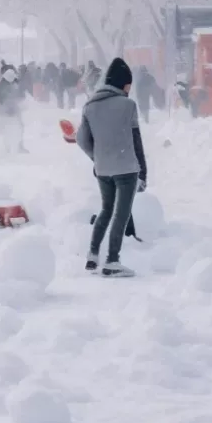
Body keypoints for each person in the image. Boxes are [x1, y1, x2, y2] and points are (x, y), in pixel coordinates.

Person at [76, 58, 147, 278]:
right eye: (128, 84)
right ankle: (112, 261)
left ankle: (93, 255)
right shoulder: (128, 105)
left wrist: (97, 157)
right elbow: (136, 140)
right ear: (122, 83)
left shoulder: (90, 106)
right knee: (121, 213)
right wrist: (143, 172)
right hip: (126, 168)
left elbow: (81, 139)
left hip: (103, 169)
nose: (129, 89)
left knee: (106, 210)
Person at [0, 66, 27, 153]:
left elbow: (21, 95)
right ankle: (9, 147)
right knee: (8, 128)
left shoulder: (6, 83)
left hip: (12, 108)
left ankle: (18, 146)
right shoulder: (2, 85)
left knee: (19, 127)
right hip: (6, 109)